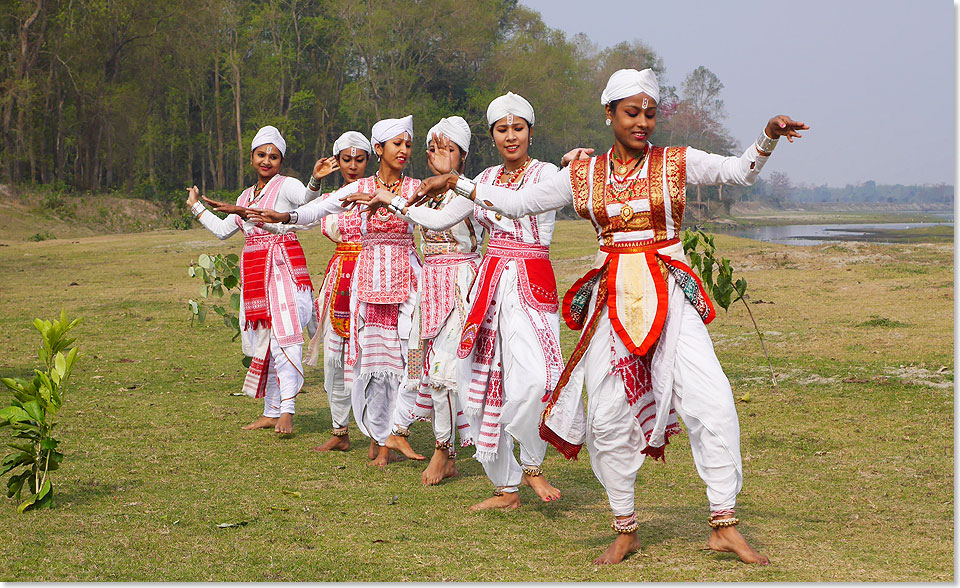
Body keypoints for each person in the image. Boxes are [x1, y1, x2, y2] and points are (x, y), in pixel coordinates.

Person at [406, 68, 807, 564]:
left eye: (651, 114)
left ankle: (724, 523)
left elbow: (738, 171)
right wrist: (458, 183)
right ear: (610, 114)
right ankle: (625, 527)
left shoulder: (676, 162)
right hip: (611, 300)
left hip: (670, 296)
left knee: (713, 402)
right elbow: (516, 202)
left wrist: (767, 138)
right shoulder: (583, 176)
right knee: (608, 417)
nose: (643, 123)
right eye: (632, 113)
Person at [351, 93, 564, 509]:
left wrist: (579, 167)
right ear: (492, 135)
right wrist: (391, 200)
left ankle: (527, 464)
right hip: (475, 287)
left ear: (531, 133)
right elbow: (436, 219)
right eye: (501, 129)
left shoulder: (543, 173)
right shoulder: (477, 181)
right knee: (469, 382)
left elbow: (529, 204)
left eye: (518, 128)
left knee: (534, 380)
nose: (510, 136)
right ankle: (501, 483)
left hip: (508, 284)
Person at [248, 116, 423, 468]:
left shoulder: (417, 187)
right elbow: (316, 210)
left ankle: (397, 431)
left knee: (407, 359)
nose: (404, 150)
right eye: (396, 144)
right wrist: (285, 218)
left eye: (408, 144)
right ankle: (368, 434)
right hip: (359, 279)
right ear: (381, 149)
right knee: (362, 362)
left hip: (407, 280)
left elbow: (436, 216)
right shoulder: (350, 191)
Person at [186, 125, 334, 435]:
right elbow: (224, 230)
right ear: (252, 157)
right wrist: (196, 206)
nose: (267, 160)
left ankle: (288, 411)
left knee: (285, 337)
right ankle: (270, 411)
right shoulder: (245, 195)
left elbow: (306, 199)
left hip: (282, 269)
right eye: (261, 154)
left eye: (274, 156)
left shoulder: (285, 186)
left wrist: (316, 179)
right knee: (265, 343)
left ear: (281, 161)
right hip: (256, 276)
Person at [389, 116, 482, 485]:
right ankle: (422, 440)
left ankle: (444, 451)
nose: (438, 156)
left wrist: (392, 200)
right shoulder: (427, 190)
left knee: (445, 371)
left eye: (448, 149)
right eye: (432, 149)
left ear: (462, 156)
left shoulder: (465, 193)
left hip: (461, 285)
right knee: (423, 369)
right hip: (430, 284)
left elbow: (439, 221)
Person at [307, 131, 372, 453]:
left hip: (373, 278)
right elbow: (299, 217)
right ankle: (340, 429)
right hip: (338, 280)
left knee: (370, 357)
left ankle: (380, 433)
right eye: (346, 160)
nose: (353, 166)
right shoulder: (329, 200)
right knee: (334, 358)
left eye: (359, 160)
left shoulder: (378, 193)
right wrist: (315, 182)